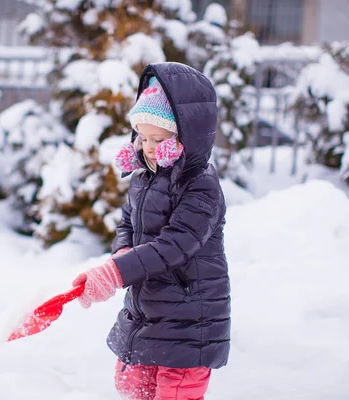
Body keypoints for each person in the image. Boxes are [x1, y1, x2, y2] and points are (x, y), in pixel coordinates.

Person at [72, 62, 231, 400]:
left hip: (189, 319)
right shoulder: (144, 177)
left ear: (186, 136)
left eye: (157, 138)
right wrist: (122, 253)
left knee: (174, 394)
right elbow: (128, 222)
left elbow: (174, 245)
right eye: (142, 136)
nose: (146, 146)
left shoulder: (201, 186)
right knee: (131, 388)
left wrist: (116, 273)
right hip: (148, 310)